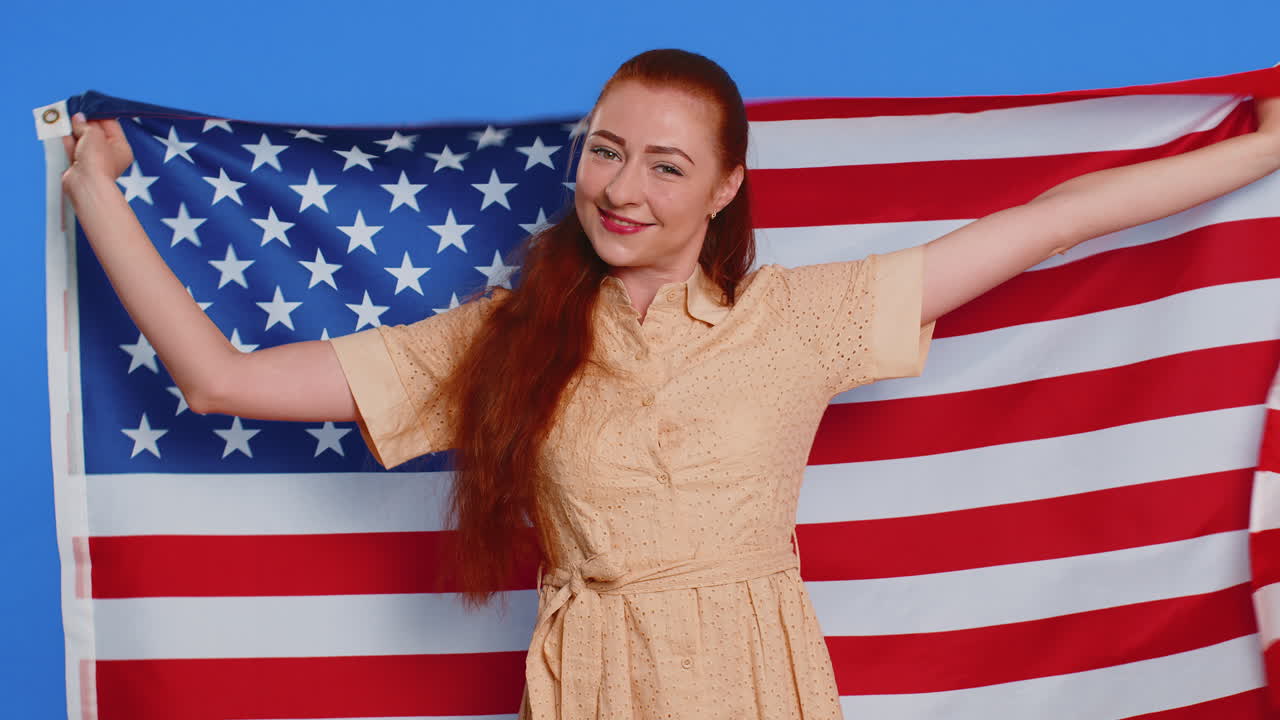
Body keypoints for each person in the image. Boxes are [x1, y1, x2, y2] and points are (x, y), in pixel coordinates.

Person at [60, 48, 1280, 720]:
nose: (620, 187)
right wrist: (97, 191)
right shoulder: (501, 338)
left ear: (725, 186)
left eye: (662, 162)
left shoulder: (798, 319)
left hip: (757, 681)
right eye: (602, 150)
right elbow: (217, 379)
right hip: (592, 682)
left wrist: (1266, 145)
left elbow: (1046, 224)